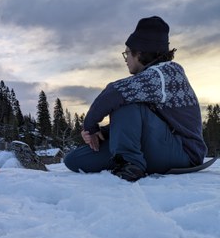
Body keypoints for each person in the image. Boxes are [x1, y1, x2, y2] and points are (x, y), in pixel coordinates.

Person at [64, 16, 207, 182]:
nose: (126, 60)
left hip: (183, 152)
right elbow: (141, 121)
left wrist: (90, 126)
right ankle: (127, 160)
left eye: (127, 53)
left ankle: (130, 164)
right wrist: (101, 133)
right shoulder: (149, 82)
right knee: (75, 159)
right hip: (157, 148)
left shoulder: (166, 72)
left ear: (139, 52)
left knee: (124, 100)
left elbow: (114, 93)